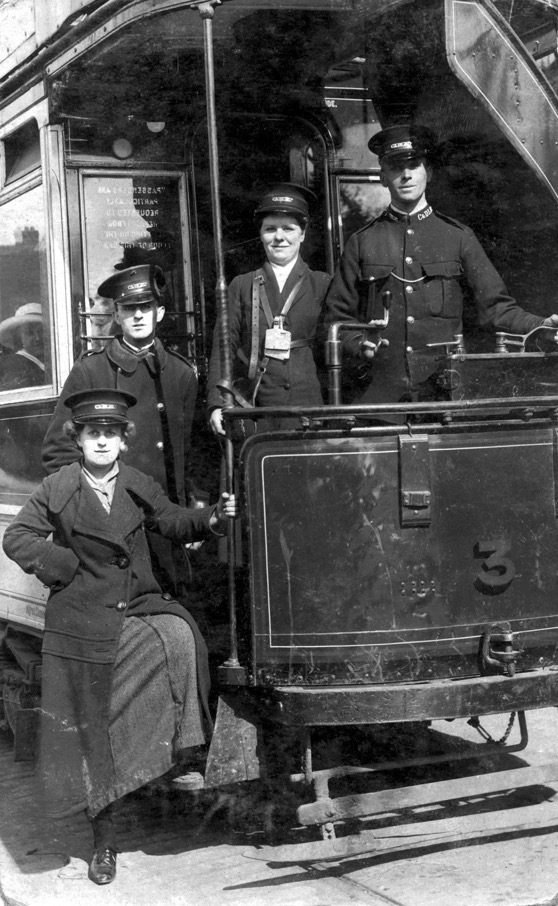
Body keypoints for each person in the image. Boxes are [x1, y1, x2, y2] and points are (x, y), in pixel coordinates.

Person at [2, 388, 237, 885]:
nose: (103, 441)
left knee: (178, 634)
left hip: (135, 605)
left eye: (111, 433)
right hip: (82, 620)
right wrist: (64, 568)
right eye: (93, 434)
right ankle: (103, 840)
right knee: (95, 728)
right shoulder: (59, 486)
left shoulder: (134, 482)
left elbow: (172, 519)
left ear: (123, 440)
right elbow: (17, 537)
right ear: (79, 439)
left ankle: (177, 754)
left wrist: (213, 518)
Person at [324, 124, 558, 403]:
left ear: (429, 172)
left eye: (414, 165)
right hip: (380, 399)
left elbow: (497, 308)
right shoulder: (361, 242)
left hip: (445, 395)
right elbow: (338, 320)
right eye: (396, 167)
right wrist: (361, 344)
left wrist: (543, 324)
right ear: (383, 177)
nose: (407, 174)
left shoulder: (458, 236)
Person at [41, 264, 198, 591]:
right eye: (129, 309)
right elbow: (57, 452)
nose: (138, 315)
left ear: (160, 312)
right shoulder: (90, 370)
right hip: (106, 534)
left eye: (146, 307)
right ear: (116, 314)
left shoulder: (181, 375)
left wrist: (193, 513)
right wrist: (94, 512)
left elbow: (195, 452)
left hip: (164, 530)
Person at [207, 183, 331, 434]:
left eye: (288, 228)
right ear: (261, 234)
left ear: (303, 234)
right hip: (254, 408)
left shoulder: (323, 283)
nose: (279, 237)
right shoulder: (241, 285)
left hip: (308, 410)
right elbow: (224, 347)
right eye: (270, 229)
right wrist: (217, 404)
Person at [0, 302, 46, 389]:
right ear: (19, 338)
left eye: (41, 331)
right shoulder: (15, 364)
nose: (37, 338)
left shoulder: (48, 361)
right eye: (29, 333)